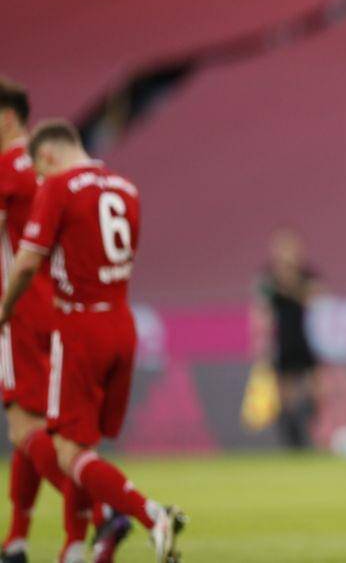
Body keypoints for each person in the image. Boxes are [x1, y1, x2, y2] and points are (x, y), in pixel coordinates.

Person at [0, 120, 186, 563]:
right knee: (85, 449)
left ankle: (148, 513)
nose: (41, 180)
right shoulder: (126, 188)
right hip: (122, 320)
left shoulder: (59, 187)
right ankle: (76, 550)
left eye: (41, 171)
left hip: (80, 327)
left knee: (66, 450)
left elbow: (26, 264)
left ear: (48, 156)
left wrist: (4, 310)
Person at [0, 80, 129, 563]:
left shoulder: (8, 169)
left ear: (7, 116)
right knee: (47, 431)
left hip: (19, 310)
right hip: (60, 307)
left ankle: (101, 513)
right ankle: (20, 541)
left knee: (25, 430)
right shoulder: (51, 170)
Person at [250, 228, 323, 449]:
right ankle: (292, 440)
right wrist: (260, 343)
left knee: (316, 391)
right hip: (282, 341)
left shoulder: (305, 275)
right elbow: (261, 309)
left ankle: (306, 430)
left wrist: (290, 283)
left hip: (306, 339)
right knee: (286, 394)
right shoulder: (269, 278)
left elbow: (316, 295)